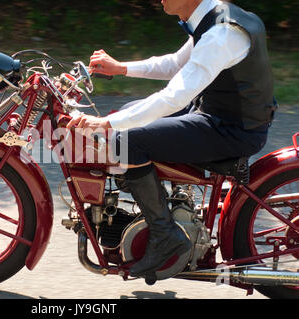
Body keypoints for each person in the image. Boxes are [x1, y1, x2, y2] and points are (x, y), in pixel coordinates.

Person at [67, 0, 276, 280]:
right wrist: (121, 68)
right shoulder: (216, 17)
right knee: (129, 112)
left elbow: (175, 96)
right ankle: (161, 205)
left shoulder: (221, 34)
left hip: (230, 128)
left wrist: (106, 123)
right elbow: (177, 65)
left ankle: (165, 235)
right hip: (217, 112)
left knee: (126, 139)